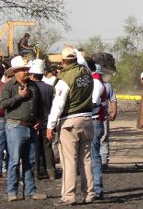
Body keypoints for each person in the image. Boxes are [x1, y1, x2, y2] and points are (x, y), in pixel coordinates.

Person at [46, 47, 95, 205]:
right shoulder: (87, 73)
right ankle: (89, 194)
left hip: (70, 122)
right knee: (86, 161)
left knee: (69, 161)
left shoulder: (64, 79)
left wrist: (50, 125)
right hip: (88, 120)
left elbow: (58, 105)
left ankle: (68, 196)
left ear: (63, 61)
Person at [0, 56, 46, 201]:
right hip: (15, 127)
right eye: (24, 69)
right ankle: (12, 192)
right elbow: (3, 105)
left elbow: (40, 105)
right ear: (16, 71)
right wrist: (19, 97)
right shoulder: (8, 87)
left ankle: (30, 191)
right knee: (14, 160)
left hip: (31, 127)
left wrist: (39, 118)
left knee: (30, 161)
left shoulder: (33, 86)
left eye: (27, 69)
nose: (27, 71)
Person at [28, 59, 56, 180]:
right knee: (47, 147)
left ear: (32, 73)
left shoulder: (30, 87)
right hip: (47, 122)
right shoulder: (50, 88)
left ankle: (35, 173)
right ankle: (51, 173)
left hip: (34, 122)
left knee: (35, 147)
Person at [89, 62, 106, 200]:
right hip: (96, 121)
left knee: (94, 156)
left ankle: (97, 189)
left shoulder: (95, 82)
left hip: (93, 121)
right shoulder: (98, 82)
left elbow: (93, 102)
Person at [100, 75, 117, 169]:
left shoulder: (107, 86)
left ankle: (104, 161)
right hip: (91, 116)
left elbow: (113, 99)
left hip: (103, 116)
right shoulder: (90, 85)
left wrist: (114, 112)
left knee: (104, 137)